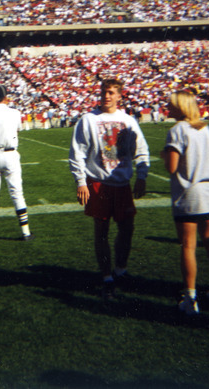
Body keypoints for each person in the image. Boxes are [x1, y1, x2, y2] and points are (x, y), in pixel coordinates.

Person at [69, 78, 149, 299]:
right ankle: (106, 277)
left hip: (122, 184)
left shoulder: (128, 120)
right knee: (101, 232)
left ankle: (120, 270)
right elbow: (77, 152)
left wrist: (142, 176)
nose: (106, 96)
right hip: (99, 183)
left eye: (111, 92)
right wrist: (81, 182)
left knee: (127, 229)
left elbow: (141, 149)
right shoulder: (88, 119)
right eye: (104, 91)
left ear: (119, 96)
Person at [161, 89, 209, 315]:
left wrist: (164, 155)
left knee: (189, 246)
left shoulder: (177, 130)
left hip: (189, 193)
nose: (167, 107)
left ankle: (190, 298)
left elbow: (172, 167)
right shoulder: (207, 129)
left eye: (171, 104)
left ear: (180, 107)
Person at [0, 85, 32, 242]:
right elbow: (17, 131)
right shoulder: (15, 113)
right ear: (6, 97)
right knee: (17, 193)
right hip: (10, 154)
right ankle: (26, 232)